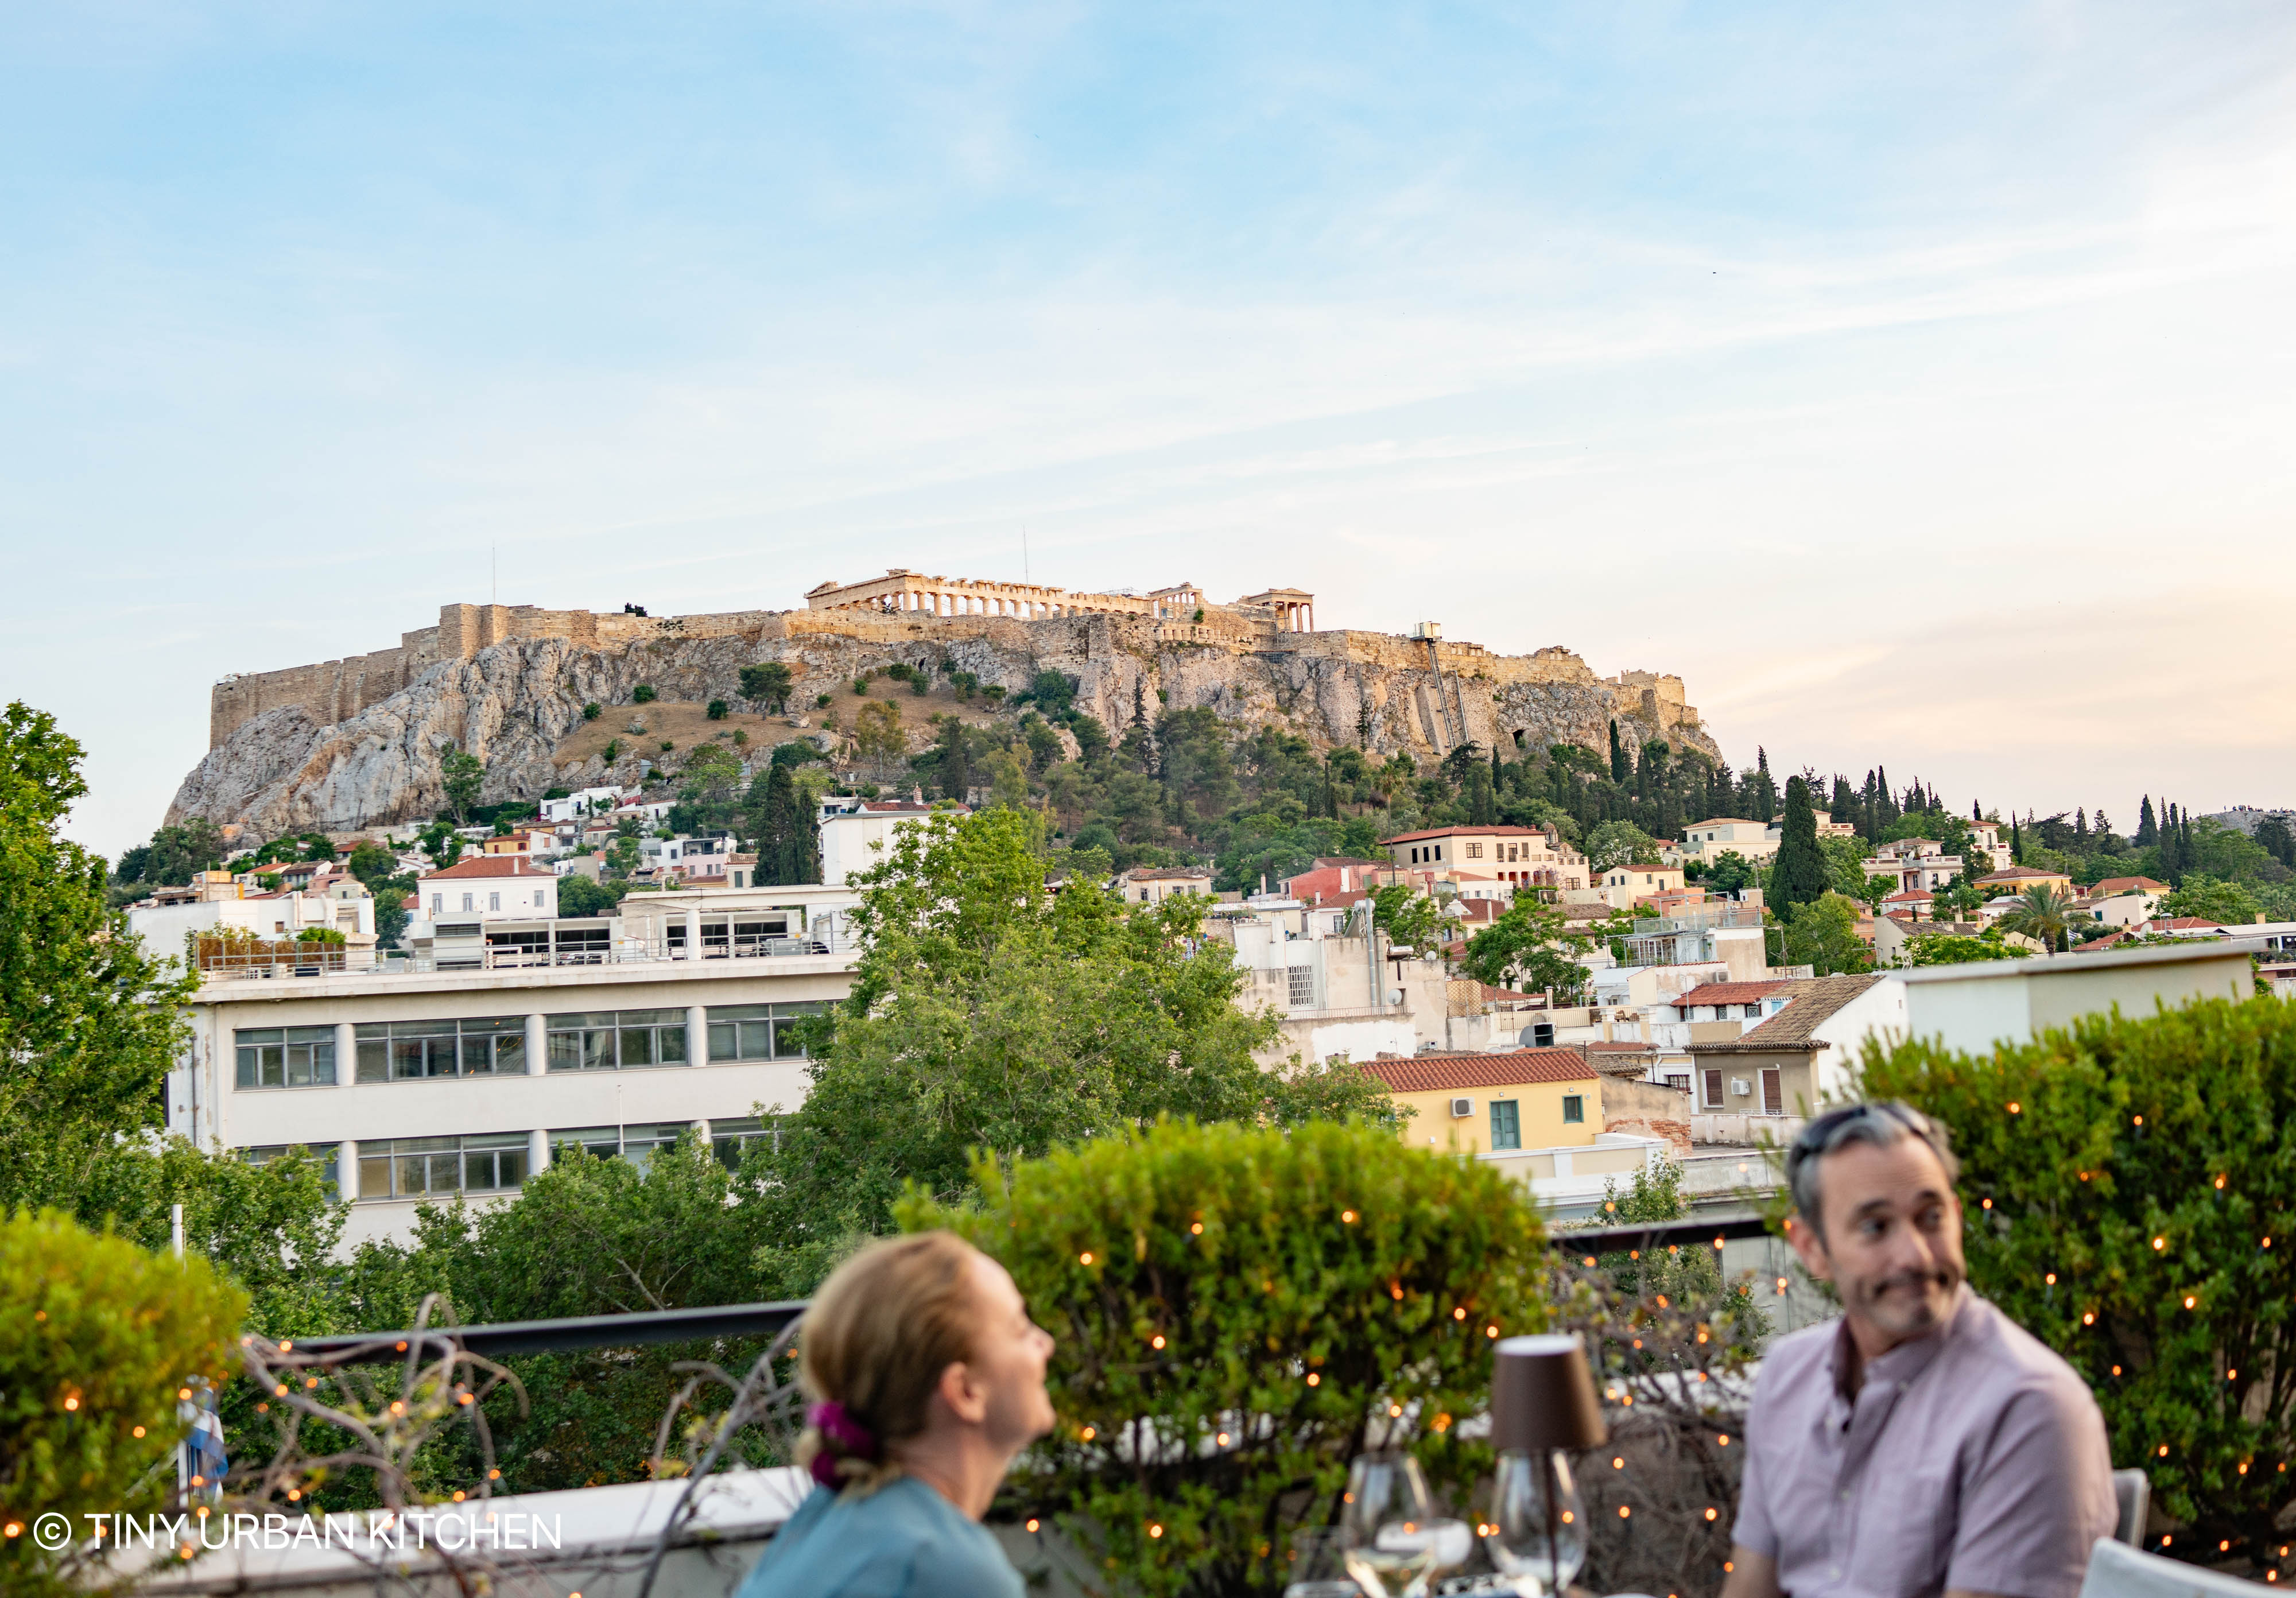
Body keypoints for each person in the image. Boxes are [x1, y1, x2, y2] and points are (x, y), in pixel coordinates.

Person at [1723, 1101, 2115, 1598]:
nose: (1916, 1255)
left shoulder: (2029, 1407)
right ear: (1811, 1250)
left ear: (1955, 1216)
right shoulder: (1787, 1376)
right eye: (1875, 1227)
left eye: (1930, 1218)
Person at [735, 1231, 1057, 1598]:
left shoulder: (832, 1515)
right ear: (965, 1392)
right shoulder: (944, 1570)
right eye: (1020, 1329)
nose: (1046, 1343)